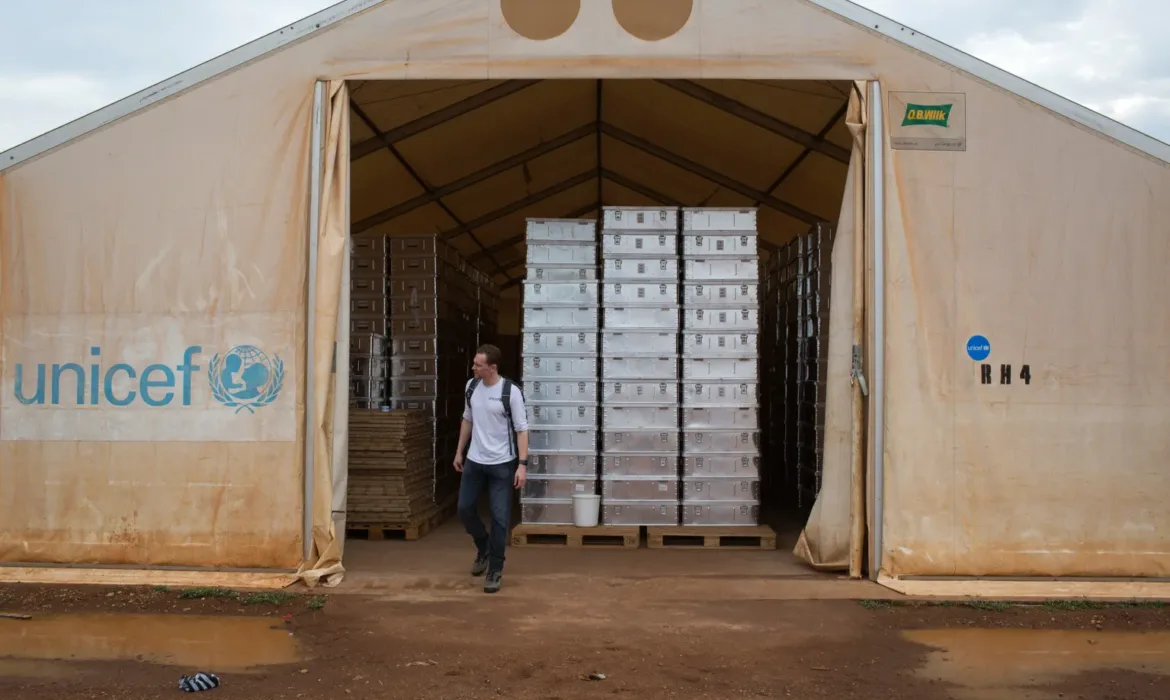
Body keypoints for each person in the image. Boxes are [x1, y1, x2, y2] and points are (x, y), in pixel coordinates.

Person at [454, 344, 529, 594]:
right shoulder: (471, 387)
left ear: (492, 368)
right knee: (464, 509)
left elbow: (521, 429)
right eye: (474, 363)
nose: (473, 367)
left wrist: (522, 465)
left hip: (502, 465)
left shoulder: (511, 392)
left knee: (499, 518)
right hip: (475, 461)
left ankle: (495, 568)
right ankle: (483, 547)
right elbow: (467, 419)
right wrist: (459, 451)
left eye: (478, 365)